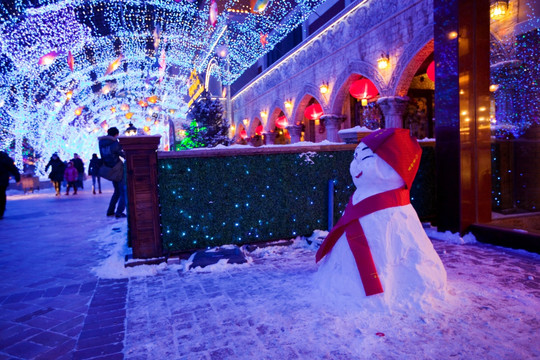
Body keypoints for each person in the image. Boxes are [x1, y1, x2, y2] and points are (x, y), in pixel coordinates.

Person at [98, 127, 126, 218]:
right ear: (116, 134)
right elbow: (123, 154)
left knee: (117, 191)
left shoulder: (101, 143)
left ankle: (110, 211)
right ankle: (119, 212)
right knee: (123, 191)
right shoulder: (114, 143)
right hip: (118, 169)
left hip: (109, 169)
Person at [0, 151, 21, 220]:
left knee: (2, 194)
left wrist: (17, 176)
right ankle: (1, 211)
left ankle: (1, 211)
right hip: (3, 180)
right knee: (2, 195)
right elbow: (13, 168)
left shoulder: (5, 159)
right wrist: (17, 177)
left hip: (2, 180)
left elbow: (12, 168)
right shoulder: (6, 158)